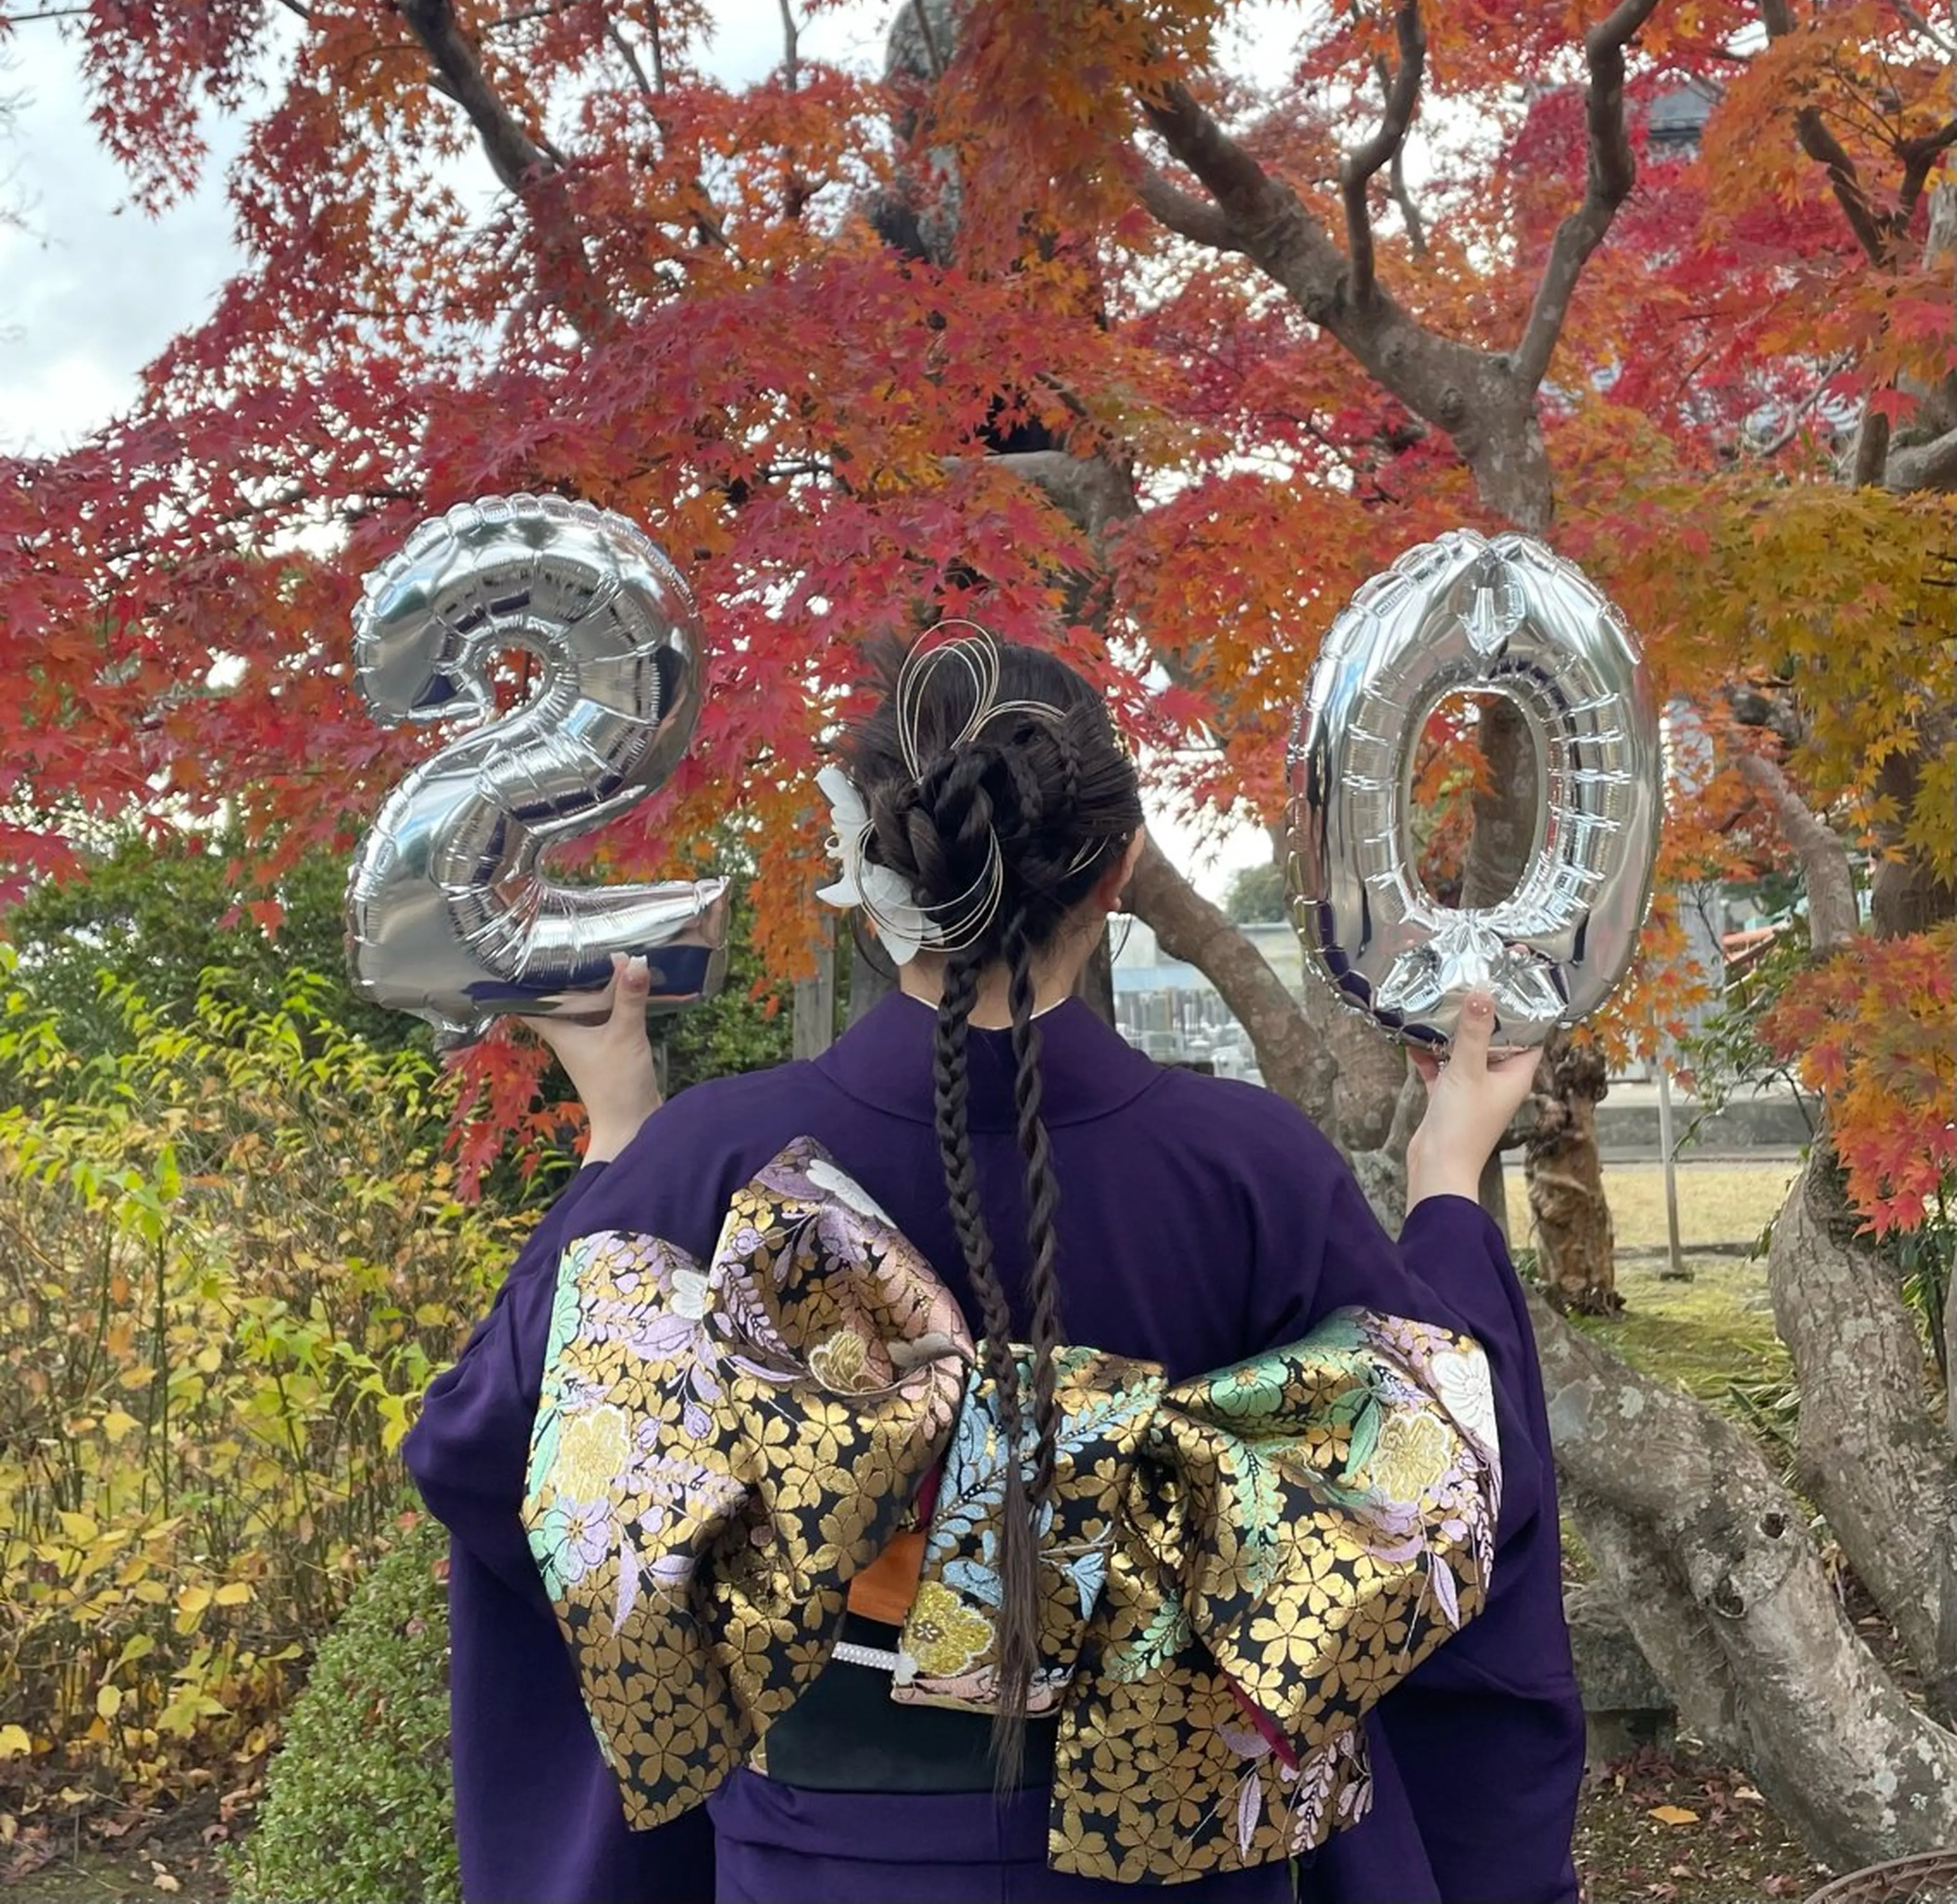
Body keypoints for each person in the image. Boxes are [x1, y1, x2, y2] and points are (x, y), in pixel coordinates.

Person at [404, 630, 1584, 1904]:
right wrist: (1447, 1185)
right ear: (1121, 867)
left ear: (864, 869)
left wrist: (619, 1147)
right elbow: (1460, 1468)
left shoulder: (714, 1159)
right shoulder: (1254, 1172)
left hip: (822, 1868)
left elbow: (493, 1447)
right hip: (1172, 1858)